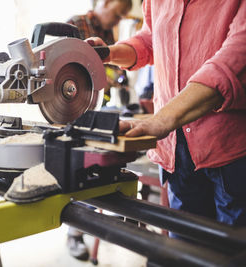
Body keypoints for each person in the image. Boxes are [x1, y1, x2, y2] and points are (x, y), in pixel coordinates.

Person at [86, 0, 246, 237]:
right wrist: (109, 53)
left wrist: (161, 120)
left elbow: (235, 58)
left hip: (229, 147)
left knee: (232, 251)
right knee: (183, 248)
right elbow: (151, 40)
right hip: (176, 147)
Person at [65, 0, 132, 260]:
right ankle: (74, 233)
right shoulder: (75, 24)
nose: (117, 21)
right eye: (116, 14)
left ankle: (95, 223)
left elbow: (108, 71)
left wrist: (119, 78)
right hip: (71, 108)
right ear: (105, 3)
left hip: (96, 109)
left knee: (96, 169)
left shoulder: (108, 34)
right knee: (75, 169)